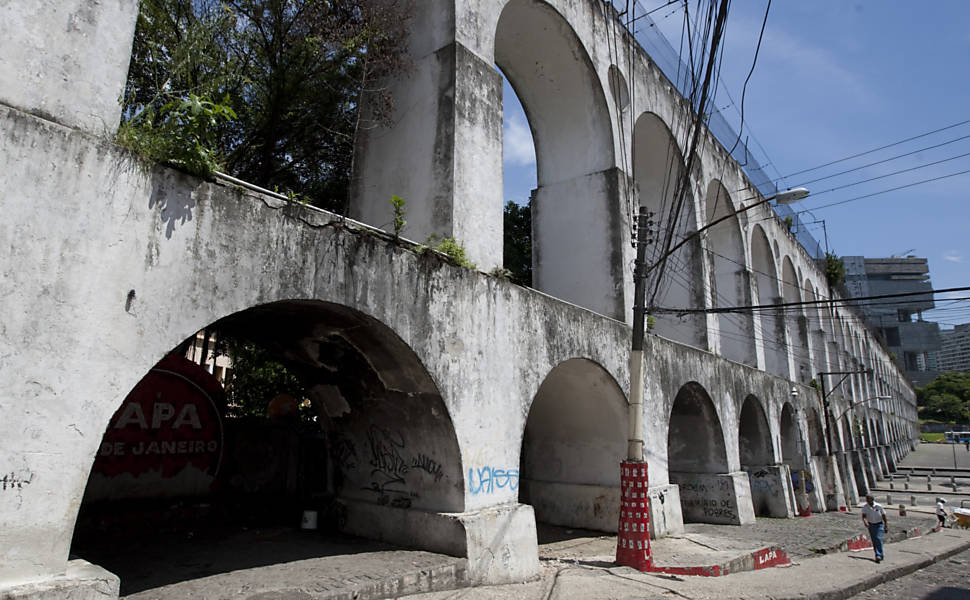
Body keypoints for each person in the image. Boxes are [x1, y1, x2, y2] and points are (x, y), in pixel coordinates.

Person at [861, 494, 888, 563]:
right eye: (867, 499)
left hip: (879, 524)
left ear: (872, 499)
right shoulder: (865, 507)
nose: (867, 501)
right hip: (871, 525)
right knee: (874, 540)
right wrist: (865, 522)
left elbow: (883, 515)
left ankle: (878, 555)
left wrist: (885, 525)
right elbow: (863, 516)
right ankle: (878, 555)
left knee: (878, 538)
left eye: (868, 499)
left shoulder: (878, 506)